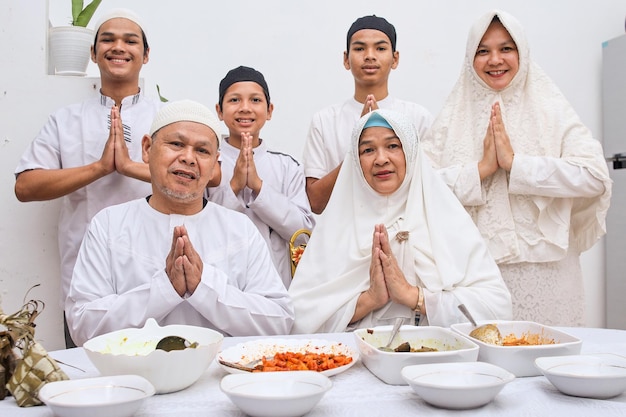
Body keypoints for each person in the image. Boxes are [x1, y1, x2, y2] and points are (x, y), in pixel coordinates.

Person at [420, 10, 612, 326]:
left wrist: (516, 166)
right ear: (470, 57)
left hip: (550, 277)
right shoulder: (451, 118)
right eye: (483, 51)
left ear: (522, 51)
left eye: (506, 48)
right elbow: (420, 190)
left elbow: (593, 176)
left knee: (548, 366)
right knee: (481, 371)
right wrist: (480, 170)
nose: (495, 59)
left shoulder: (552, 109)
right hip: (473, 279)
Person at [65, 100, 295, 346]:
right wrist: (164, 290)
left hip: (222, 380)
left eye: (202, 151)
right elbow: (83, 326)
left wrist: (204, 287)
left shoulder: (239, 228)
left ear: (215, 165)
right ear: (147, 148)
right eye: (176, 144)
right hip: (136, 380)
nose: (188, 158)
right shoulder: (109, 225)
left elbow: (279, 320)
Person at [288, 109, 512, 334]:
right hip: (356, 356)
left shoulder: (446, 218)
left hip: (440, 359)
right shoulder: (336, 229)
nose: (381, 159)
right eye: (368, 150)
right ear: (355, 161)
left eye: (393, 146)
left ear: (411, 152)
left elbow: (497, 308)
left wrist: (413, 296)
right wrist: (370, 299)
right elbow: (300, 318)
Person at [14, 9, 159, 348]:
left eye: (130, 40)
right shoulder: (65, 120)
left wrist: (129, 166)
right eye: (107, 39)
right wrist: (98, 168)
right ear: (93, 54)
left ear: (146, 54)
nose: (118, 47)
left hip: (154, 272)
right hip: (85, 275)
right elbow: (26, 186)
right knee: (88, 378)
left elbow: (207, 177)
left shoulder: (164, 117)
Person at [302, 14, 434, 214]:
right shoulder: (325, 120)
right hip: (344, 236)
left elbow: (432, 190)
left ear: (395, 58)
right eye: (359, 48)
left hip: (406, 233)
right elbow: (316, 202)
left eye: (380, 48)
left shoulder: (417, 117)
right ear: (346, 59)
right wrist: (357, 144)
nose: (370, 55)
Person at [206, 66, 315, 288]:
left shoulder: (286, 166)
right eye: (234, 100)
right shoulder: (206, 160)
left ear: (269, 110)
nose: (245, 108)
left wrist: (259, 188)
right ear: (219, 110)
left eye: (255, 100)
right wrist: (234, 186)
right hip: (218, 280)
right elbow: (202, 226)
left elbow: (303, 234)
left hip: (275, 283)